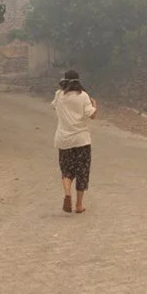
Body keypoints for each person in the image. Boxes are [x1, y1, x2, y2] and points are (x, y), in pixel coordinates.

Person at [52, 69, 98, 213]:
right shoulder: (83, 96)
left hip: (63, 140)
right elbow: (92, 116)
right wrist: (95, 105)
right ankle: (79, 205)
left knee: (67, 170)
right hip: (81, 140)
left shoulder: (59, 95)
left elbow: (54, 106)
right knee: (82, 172)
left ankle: (67, 194)